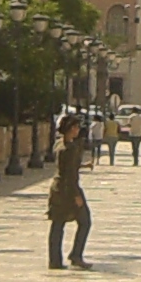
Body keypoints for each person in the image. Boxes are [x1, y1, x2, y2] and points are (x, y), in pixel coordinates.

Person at [47, 114, 92, 269]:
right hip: (68, 190)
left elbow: (66, 167)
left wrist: (82, 165)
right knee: (85, 221)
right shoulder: (70, 149)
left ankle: (55, 260)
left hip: (57, 188)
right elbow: (70, 174)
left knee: (57, 225)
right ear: (72, 129)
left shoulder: (59, 145)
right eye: (77, 127)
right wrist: (76, 195)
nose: (78, 130)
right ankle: (76, 254)